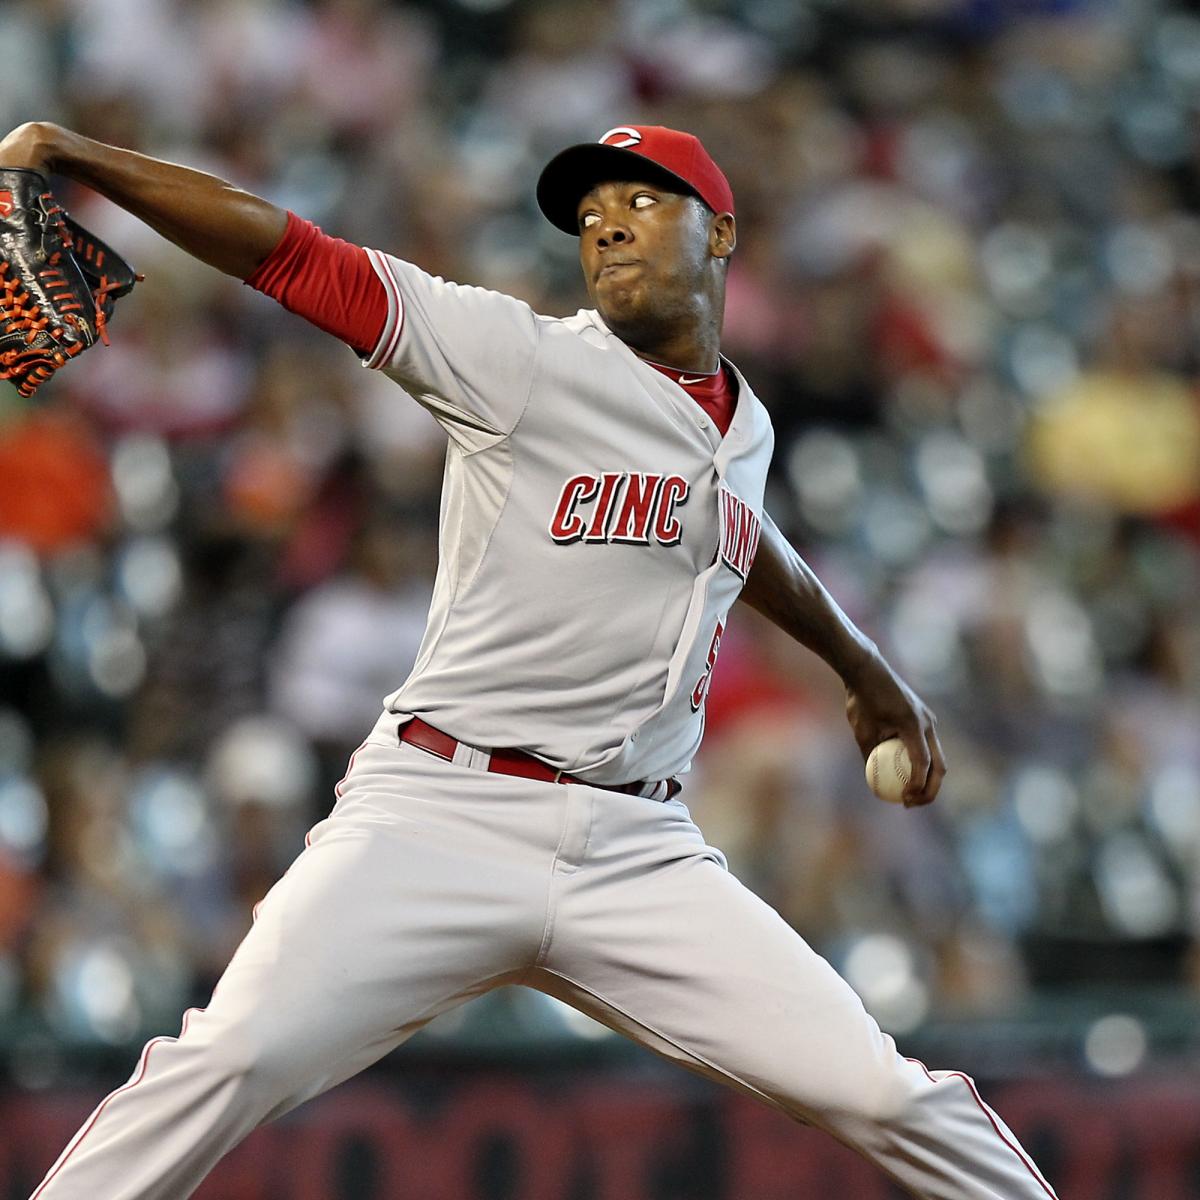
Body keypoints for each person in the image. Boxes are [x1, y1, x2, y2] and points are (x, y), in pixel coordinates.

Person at [3, 118, 1057, 1200]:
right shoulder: (517, 358)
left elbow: (738, 531)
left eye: (642, 203)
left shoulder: (747, 426)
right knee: (225, 1063)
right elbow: (294, 254)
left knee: (885, 1095)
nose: (608, 229)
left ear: (722, 234)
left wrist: (862, 664)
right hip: (437, 814)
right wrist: (84, 158)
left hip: (638, 852)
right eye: (593, 218)